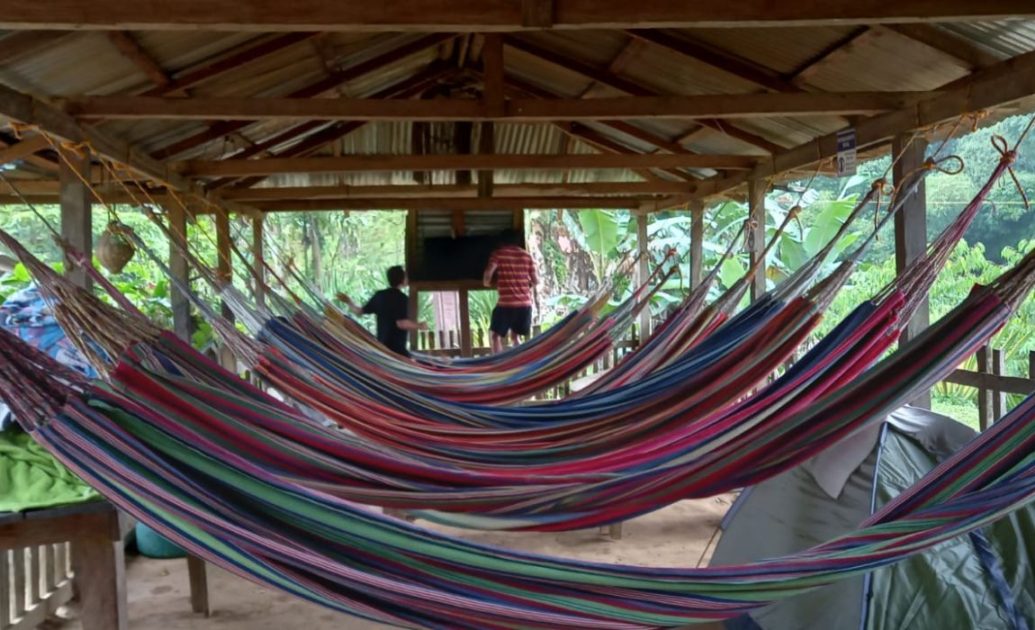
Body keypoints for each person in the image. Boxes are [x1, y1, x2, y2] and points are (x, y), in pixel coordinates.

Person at [337, 265, 427, 358]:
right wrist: (419, 325)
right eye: (406, 276)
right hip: (397, 352)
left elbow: (359, 312)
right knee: (413, 366)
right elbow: (401, 323)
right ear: (403, 280)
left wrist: (349, 301)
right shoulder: (403, 299)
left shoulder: (379, 296)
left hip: (381, 350)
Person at [483, 228, 538, 353]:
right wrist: (525, 285)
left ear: (502, 241)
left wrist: (487, 283)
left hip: (506, 305)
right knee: (515, 337)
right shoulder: (527, 256)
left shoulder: (498, 254)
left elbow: (488, 273)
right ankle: (517, 363)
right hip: (525, 305)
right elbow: (535, 281)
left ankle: (497, 365)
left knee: (495, 337)